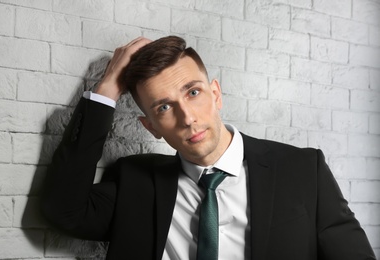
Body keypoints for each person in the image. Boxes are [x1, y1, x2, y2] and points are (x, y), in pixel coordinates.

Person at [41, 36, 376, 260]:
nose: (187, 117)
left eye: (193, 92)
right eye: (163, 107)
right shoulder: (136, 182)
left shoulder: (301, 170)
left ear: (216, 94)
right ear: (151, 128)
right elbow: (63, 211)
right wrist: (106, 90)